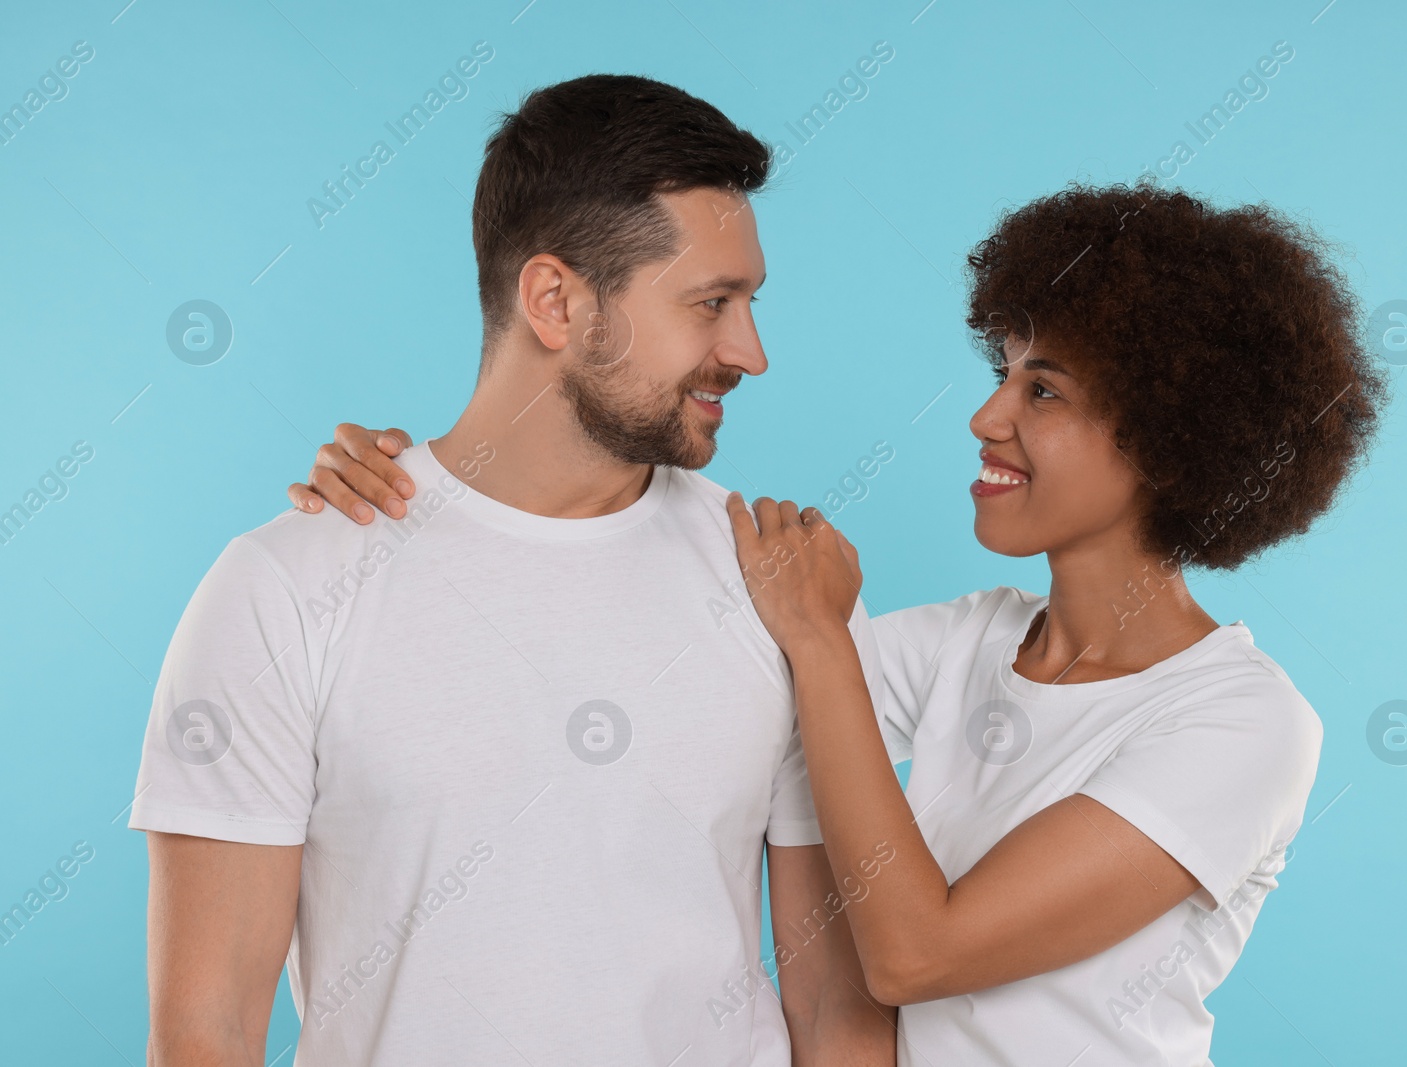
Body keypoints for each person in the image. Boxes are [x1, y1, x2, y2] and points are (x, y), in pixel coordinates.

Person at [297, 182, 1389, 1065]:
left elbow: (917, 953)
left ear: (1168, 433)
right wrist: (442, 489)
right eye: (1002, 370)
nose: (987, 414)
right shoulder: (967, 645)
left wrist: (820, 637)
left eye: (1042, 391)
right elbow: (685, 641)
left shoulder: (1241, 723)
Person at [129, 75, 895, 1067]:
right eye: (712, 302)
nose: (747, 350)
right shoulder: (284, 587)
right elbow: (207, 1032)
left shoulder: (785, 593)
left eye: (748, 301)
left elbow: (833, 1001)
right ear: (554, 300)